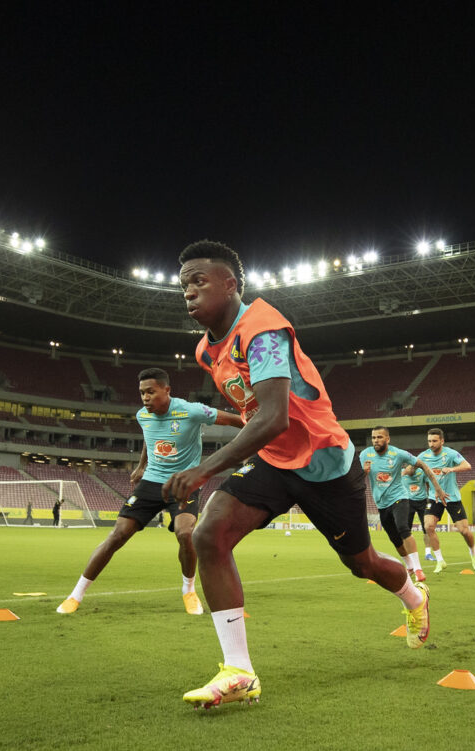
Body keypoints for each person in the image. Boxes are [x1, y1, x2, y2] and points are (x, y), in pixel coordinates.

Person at [165, 241, 430, 710]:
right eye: (183, 283)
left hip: (324, 463)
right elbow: (254, 419)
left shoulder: (262, 329)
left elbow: (272, 417)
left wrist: (204, 468)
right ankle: (238, 671)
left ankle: (414, 597)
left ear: (231, 285)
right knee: (209, 534)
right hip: (272, 460)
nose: (187, 291)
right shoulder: (206, 351)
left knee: (361, 564)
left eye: (198, 281)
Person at [57, 367, 241, 615]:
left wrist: (265, 432)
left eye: (150, 392)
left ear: (167, 390)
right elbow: (149, 436)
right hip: (151, 482)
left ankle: (188, 590)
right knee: (117, 535)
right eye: (142, 393)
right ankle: (75, 595)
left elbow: (235, 420)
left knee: (186, 533)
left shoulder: (191, 410)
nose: (145, 398)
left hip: (183, 482)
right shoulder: (143, 415)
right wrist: (142, 465)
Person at [362, 426, 446, 584]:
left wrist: (438, 488)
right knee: (395, 538)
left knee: (403, 528)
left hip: (400, 497)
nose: (376, 441)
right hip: (381, 503)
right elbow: (360, 477)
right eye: (373, 438)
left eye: (379, 437)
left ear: (388, 439)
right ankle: (409, 566)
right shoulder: (365, 454)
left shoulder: (398, 454)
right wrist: (364, 472)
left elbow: (422, 465)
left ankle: (418, 569)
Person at [415, 428, 475, 572]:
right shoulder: (423, 456)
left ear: (442, 441)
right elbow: (413, 469)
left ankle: (473, 552)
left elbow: (467, 466)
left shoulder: (450, 454)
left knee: (464, 531)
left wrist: (451, 469)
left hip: (452, 497)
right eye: (429, 441)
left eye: (434, 441)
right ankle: (440, 560)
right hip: (434, 497)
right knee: (429, 526)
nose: (431, 444)